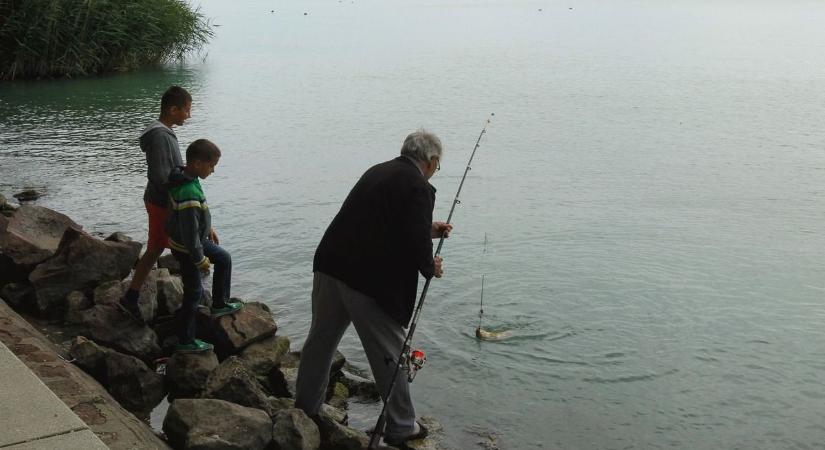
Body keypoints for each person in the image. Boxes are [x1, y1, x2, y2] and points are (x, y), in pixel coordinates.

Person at [294, 129, 452, 446]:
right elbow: (413, 242)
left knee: (320, 343)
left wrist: (427, 231)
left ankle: (305, 410)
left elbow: (382, 222)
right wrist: (429, 266)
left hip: (330, 265)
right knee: (390, 352)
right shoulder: (419, 187)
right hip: (366, 280)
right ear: (432, 161)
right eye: (438, 164)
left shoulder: (378, 171)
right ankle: (402, 426)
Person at [120, 86, 197, 323]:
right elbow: (162, 175)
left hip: (159, 200)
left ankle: (132, 296)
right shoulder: (161, 135)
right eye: (186, 110)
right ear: (172, 109)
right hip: (163, 202)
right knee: (185, 248)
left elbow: (167, 172)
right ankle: (191, 304)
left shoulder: (162, 132)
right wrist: (187, 179)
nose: (188, 115)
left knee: (155, 248)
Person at [165, 139, 242, 352]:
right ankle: (186, 340)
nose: (213, 170)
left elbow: (196, 215)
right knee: (194, 292)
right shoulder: (187, 190)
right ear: (198, 164)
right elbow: (189, 232)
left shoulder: (187, 176)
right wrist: (200, 261)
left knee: (224, 259)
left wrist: (208, 227)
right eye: (212, 166)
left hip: (196, 240)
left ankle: (219, 303)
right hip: (188, 248)